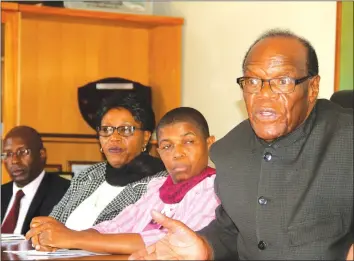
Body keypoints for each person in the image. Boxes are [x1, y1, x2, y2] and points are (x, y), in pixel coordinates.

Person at [128, 29, 354, 260]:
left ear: (312, 88)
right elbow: (232, 229)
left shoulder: (347, 139)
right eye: (253, 81)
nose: (264, 96)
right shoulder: (230, 150)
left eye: (282, 81)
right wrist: (204, 246)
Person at [26, 107, 220, 255]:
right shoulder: (157, 188)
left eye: (188, 142)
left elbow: (170, 242)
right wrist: (59, 235)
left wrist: (73, 239)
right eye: (167, 146)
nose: (177, 153)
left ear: (210, 144)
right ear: (159, 152)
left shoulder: (214, 188)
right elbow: (116, 226)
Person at [44, 93, 166, 231]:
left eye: (125, 130)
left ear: (145, 137)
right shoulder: (88, 175)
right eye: (106, 130)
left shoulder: (159, 182)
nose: (113, 138)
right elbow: (53, 223)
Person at [1, 126, 70, 235]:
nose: (14, 161)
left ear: (42, 154)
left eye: (23, 152)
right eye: (8, 154)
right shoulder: (2, 193)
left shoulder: (65, 192)